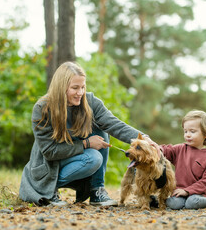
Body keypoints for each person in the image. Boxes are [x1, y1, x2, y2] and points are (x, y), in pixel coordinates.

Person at [19, 61, 149, 207]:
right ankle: (50, 190)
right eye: (75, 88)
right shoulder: (42, 108)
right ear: (61, 87)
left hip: (74, 162)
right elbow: (49, 151)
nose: (80, 93)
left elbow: (114, 124)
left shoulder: (90, 102)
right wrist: (86, 144)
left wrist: (145, 139)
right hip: (48, 165)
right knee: (93, 158)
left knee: (102, 131)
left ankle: (96, 190)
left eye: (82, 87)